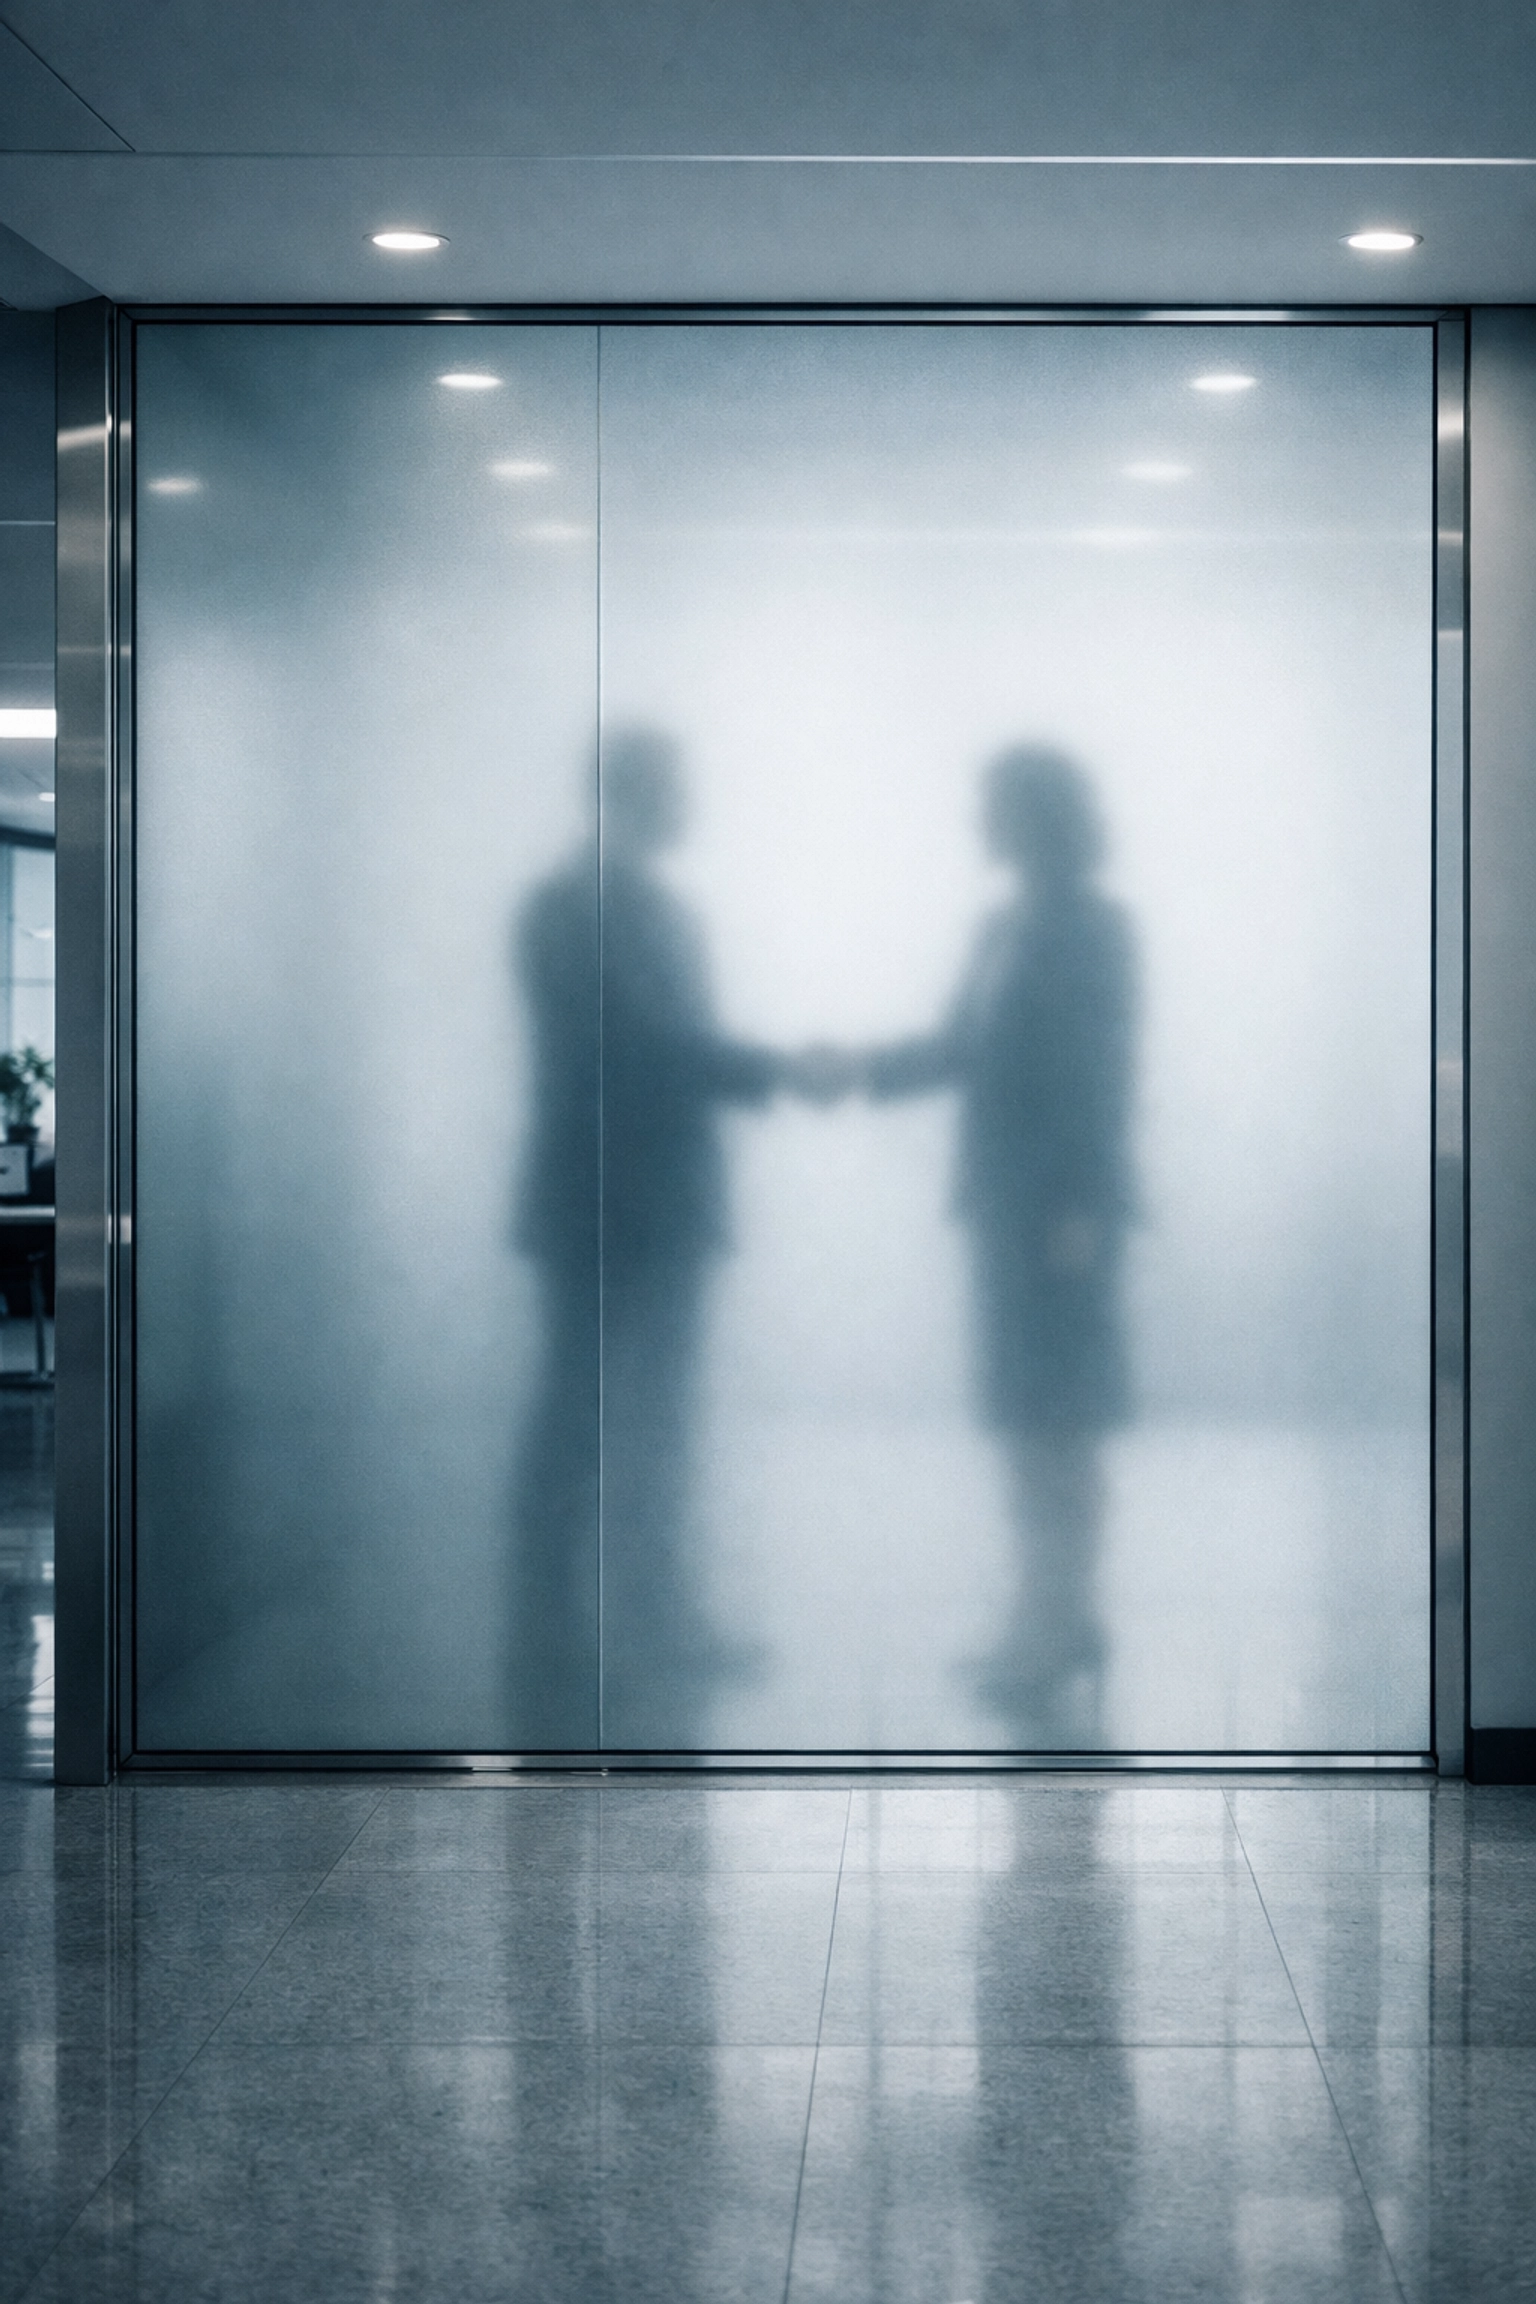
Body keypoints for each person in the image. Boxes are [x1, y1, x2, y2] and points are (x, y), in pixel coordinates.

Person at [512, 727, 832, 1745]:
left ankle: (656, 1619)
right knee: (579, 1419)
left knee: (658, 1424)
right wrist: (778, 1073)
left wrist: (764, 1074)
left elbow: (658, 1042)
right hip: (600, 1200)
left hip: (661, 1200)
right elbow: (638, 1041)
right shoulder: (570, 910)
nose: (693, 800)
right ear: (637, 793)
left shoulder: (643, 910)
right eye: (679, 784)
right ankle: (552, 1630)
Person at [863, 745, 1137, 1740]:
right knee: (1026, 1419)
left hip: (1059, 1209)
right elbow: (960, 1047)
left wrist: (1079, 1209)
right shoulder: (999, 927)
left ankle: (1056, 1622)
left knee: (1058, 1422)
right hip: (1001, 1206)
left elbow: (1099, 1077)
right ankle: (1052, 1617)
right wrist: (856, 1072)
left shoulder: (1097, 930)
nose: (977, 818)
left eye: (990, 803)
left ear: (1033, 816)